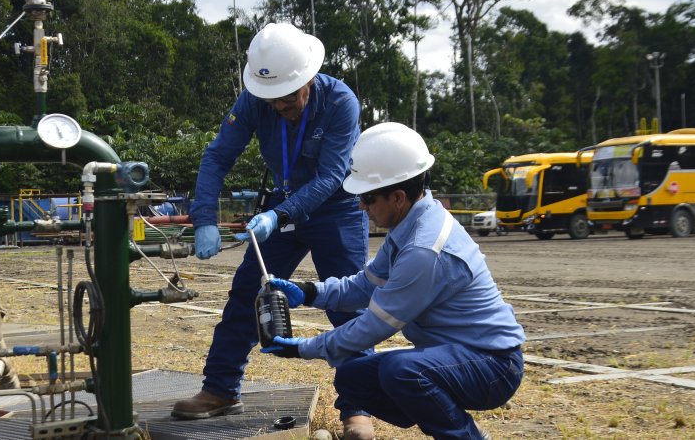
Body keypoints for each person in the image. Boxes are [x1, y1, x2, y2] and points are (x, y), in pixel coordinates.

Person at [171, 23, 375, 439]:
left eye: (288, 97)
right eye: (272, 99)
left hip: (335, 208)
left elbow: (332, 175)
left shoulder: (341, 101)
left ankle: (358, 408)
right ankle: (220, 390)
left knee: (348, 307)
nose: (280, 106)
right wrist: (203, 218)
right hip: (283, 205)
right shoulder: (254, 100)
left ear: (308, 79)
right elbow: (217, 157)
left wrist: (276, 217)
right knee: (247, 295)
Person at [264, 122, 525, 440]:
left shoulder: (423, 249)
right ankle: (448, 418)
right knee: (352, 378)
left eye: (368, 197)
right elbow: (365, 286)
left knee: (400, 372)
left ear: (398, 197)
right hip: (458, 357)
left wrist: (306, 348)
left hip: (493, 366)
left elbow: (374, 326)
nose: (361, 206)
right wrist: (308, 292)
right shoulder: (411, 223)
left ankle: (464, 435)